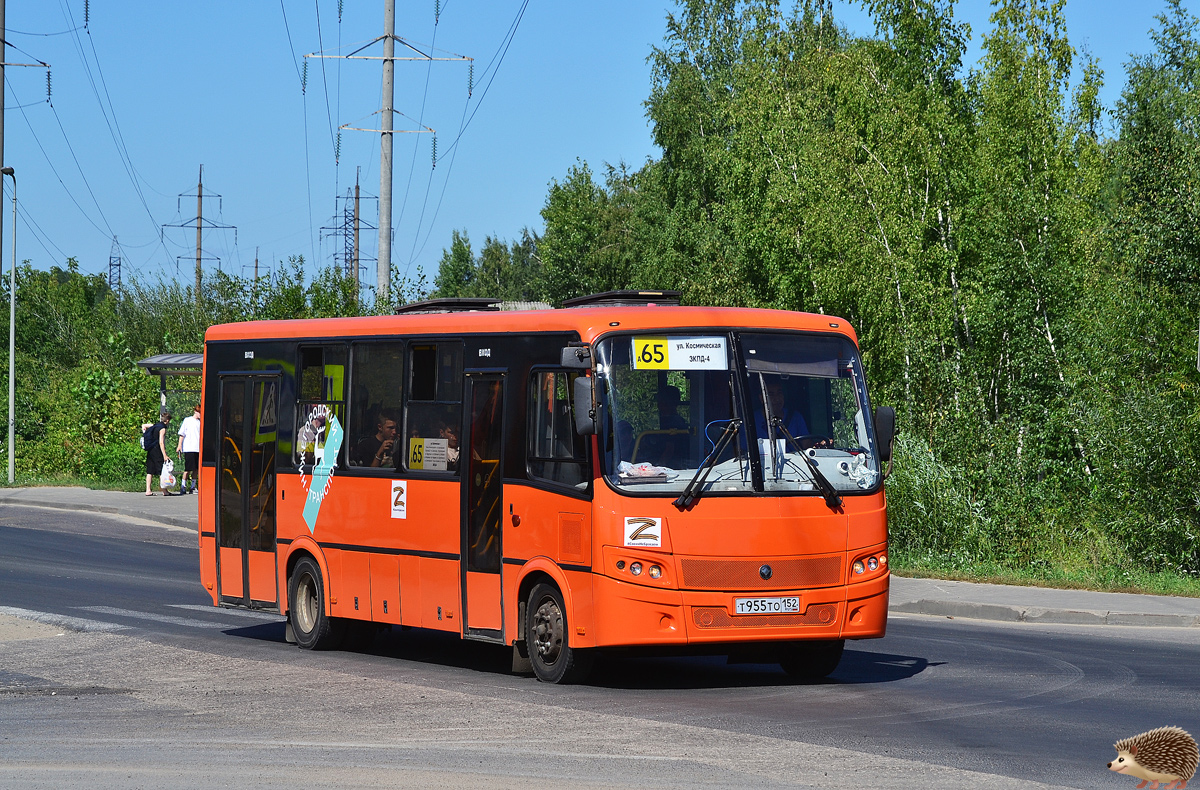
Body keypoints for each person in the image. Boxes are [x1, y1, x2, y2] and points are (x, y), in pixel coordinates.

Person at [144, 409, 175, 496]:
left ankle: (148, 490)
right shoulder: (162, 428)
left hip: (150, 449)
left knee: (150, 470)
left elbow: (144, 425)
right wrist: (165, 455)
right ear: (167, 420)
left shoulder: (155, 425)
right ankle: (164, 491)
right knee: (161, 470)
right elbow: (161, 442)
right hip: (157, 450)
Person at [176, 404, 201, 494]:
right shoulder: (187, 420)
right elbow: (182, 434)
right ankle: (183, 486)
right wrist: (179, 445)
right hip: (189, 448)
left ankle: (193, 487)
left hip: (198, 448)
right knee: (188, 469)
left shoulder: (200, 422)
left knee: (196, 469)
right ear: (195, 411)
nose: (200, 415)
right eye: (199, 413)